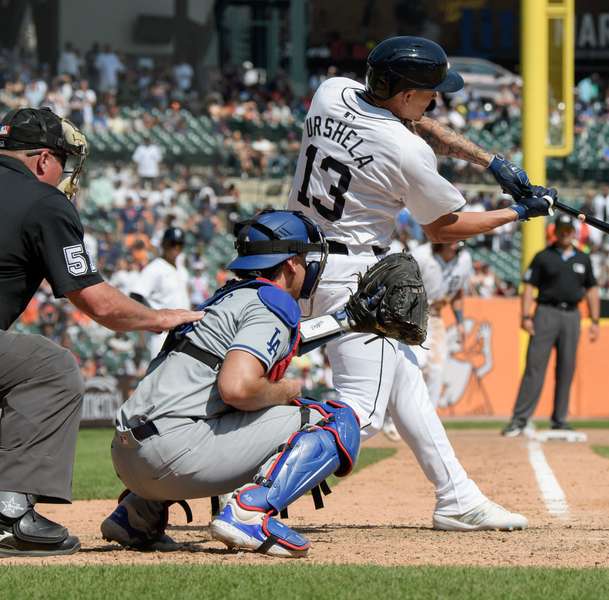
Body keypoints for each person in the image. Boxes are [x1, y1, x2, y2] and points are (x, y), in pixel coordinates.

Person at [286, 36, 555, 531]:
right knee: (360, 413)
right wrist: (517, 211)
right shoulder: (406, 150)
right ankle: (251, 489)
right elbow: (443, 228)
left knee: (406, 375)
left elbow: (407, 119)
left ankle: (457, 495)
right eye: (429, 93)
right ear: (407, 95)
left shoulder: (331, 91)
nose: (435, 101)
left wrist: (491, 163)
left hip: (297, 260)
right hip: (352, 276)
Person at [100, 210, 385, 557]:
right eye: (307, 258)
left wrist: (345, 320)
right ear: (292, 264)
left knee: (206, 408)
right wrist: (287, 391)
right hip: (171, 455)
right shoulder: (275, 302)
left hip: (129, 457)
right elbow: (238, 388)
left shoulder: (229, 297)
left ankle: (137, 515)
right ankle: (250, 513)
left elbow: (282, 344)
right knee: (334, 420)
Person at [0, 108, 202, 557]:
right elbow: (96, 302)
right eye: (65, 164)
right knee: (49, 369)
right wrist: (162, 317)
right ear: (42, 160)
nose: (67, 176)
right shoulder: (43, 200)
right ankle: (9, 513)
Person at [502, 214, 600, 437]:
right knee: (535, 366)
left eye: (569, 230)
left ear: (574, 232)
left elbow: (592, 289)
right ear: (555, 231)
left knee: (567, 368)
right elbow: (528, 286)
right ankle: (519, 419)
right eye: (562, 229)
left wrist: (595, 320)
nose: (565, 233)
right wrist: (525, 316)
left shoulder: (583, 259)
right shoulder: (544, 257)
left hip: (572, 314)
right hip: (545, 312)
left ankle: (560, 418)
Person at [410, 241, 474, 407]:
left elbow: (458, 291)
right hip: (411, 315)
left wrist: (459, 321)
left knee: (437, 369)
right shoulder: (421, 255)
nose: (456, 240)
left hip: (436, 316)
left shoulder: (464, 259)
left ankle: (429, 415)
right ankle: (393, 415)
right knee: (415, 364)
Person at [130, 227, 192, 357]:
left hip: (182, 332)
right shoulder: (155, 268)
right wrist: (150, 322)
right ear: (164, 245)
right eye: (172, 244)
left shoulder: (182, 269)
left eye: (179, 244)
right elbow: (135, 296)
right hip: (160, 335)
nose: (175, 248)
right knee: (158, 374)